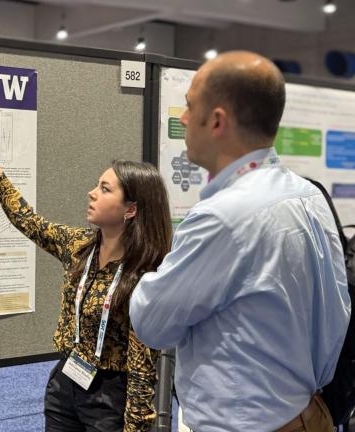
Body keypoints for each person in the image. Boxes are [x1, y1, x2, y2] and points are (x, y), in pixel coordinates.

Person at [129, 51, 351, 431]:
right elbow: (336, 312)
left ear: (217, 121)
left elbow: (151, 322)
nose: (183, 118)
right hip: (307, 413)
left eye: (189, 106)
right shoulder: (308, 195)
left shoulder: (223, 217)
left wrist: (151, 276)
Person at [0, 131, 172, 431]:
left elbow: (142, 368)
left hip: (111, 396)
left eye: (105, 189)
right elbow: (28, 221)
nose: (92, 193)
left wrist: (135, 426)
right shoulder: (79, 246)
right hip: (66, 382)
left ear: (131, 209)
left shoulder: (145, 275)